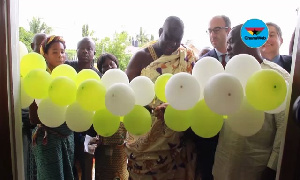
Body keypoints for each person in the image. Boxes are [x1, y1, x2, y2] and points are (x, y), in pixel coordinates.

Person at [212, 24, 290, 180]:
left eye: (231, 42)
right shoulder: (227, 75)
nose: (227, 48)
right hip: (224, 165)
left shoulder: (276, 76)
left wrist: (272, 167)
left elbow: (284, 127)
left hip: (254, 168)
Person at [125, 16, 197, 180]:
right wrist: (152, 108)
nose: (172, 45)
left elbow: (194, 93)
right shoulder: (141, 57)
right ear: (159, 32)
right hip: (144, 136)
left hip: (176, 136)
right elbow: (128, 96)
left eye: (176, 41)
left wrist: (173, 107)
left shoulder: (187, 57)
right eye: (168, 38)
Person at [29, 35, 75, 180]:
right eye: (55, 52)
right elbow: (33, 117)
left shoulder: (69, 77)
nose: (60, 56)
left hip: (67, 137)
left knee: (67, 174)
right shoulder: (40, 78)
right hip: (48, 138)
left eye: (62, 52)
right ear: (45, 55)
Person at [195, 15, 232, 180]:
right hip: (209, 133)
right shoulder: (202, 63)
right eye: (209, 31)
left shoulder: (241, 58)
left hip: (236, 130)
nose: (212, 35)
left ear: (228, 31)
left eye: (216, 30)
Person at [86, 53, 128, 180]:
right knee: (103, 174)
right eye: (105, 66)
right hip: (103, 144)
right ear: (101, 71)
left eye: (111, 63)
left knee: (120, 174)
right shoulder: (100, 89)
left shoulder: (126, 87)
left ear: (117, 64)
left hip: (121, 146)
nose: (109, 67)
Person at [65, 37, 101, 180]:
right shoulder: (68, 67)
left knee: (87, 161)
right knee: (70, 162)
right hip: (68, 127)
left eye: (89, 49)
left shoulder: (98, 75)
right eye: (82, 48)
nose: (85, 51)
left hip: (90, 129)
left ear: (94, 53)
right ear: (77, 50)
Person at [22, 33, 46, 180]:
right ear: (33, 46)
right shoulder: (25, 67)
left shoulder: (49, 69)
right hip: (30, 133)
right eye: (41, 45)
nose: (43, 49)